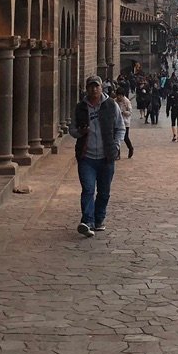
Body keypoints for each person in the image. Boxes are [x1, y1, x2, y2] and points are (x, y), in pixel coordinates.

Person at [69, 75, 123, 237]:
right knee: (88, 189)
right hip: (87, 157)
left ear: (101, 88)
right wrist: (80, 132)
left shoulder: (111, 105)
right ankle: (87, 221)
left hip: (107, 156)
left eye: (96, 86)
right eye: (91, 86)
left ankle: (99, 219)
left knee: (104, 192)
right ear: (87, 88)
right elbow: (72, 130)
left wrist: (117, 144)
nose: (94, 89)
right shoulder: (80, 108)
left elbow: (120, 127)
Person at [114, 81, 134, 158]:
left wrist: (123, 112)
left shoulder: (126, 101)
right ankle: (117, 154)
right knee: (116, 138)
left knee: (125, 137)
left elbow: (130, 112)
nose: (119, 97)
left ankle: (130, 148)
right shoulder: (114, 101)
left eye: (120, 95)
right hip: (116, 122)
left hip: (125, 122)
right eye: (118, 95)